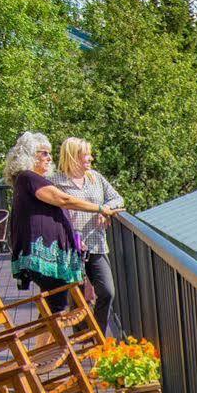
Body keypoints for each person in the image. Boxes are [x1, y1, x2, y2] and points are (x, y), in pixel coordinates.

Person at [2, 131, 107, 312]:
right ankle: (57, 341)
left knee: (54, 309)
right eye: (44, 153)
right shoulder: (28, 177)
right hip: (44, 256)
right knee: (57, 308)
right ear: (30, 154)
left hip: (50, 255)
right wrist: (100, 209)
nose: (50, 158)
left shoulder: (31, 179)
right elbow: (64, 200)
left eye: (49, 153)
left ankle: (51, 340)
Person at [50, 136, 124, 334]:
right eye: (86, 155)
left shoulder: (95, 177)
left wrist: (105, 209)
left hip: (97, 244)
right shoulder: (56, 182)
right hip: (71, 248)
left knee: (107, 291)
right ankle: (83, 338)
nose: (90, 158)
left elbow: (118, 198)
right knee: (78, 299)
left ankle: (96, 333)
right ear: (73, 156)